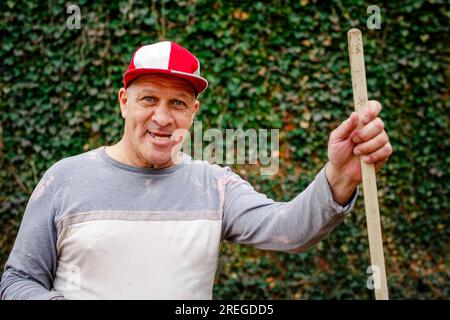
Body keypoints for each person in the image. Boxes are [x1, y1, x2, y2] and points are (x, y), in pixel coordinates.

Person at [0, 41, 392, 299]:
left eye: (178, 104)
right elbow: (17, 281)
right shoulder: (64, 178)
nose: (162, 117)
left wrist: (340, 174)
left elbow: (290, 229)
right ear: (123, 101)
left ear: (194, 112)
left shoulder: (215, 184)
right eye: (148, 98)